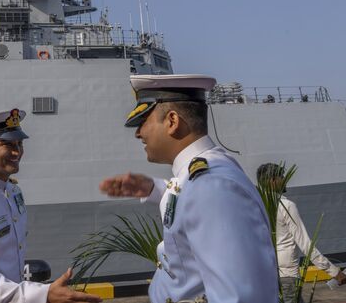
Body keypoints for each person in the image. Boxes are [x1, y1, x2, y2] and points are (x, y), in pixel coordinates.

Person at [99, 75, 279, 303]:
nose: (138, 133)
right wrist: (153, 188)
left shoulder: (210, 186)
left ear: (172, 121)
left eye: (144, 121)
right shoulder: (199, 179)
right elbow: (190, 201)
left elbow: (239, 297)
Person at [0, 109, 102, 303]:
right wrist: (43, 294)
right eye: (7, 144)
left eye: (19, 144)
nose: (16, 151)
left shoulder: (13, 191)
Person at [256, 163, 346, 303]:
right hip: (287, 275)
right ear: (272, 180)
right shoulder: (286, 206)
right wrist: (334, 271)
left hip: (263, 275)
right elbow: (306, 245)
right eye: (282, 177)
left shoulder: (254, 205)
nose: (285, 180)